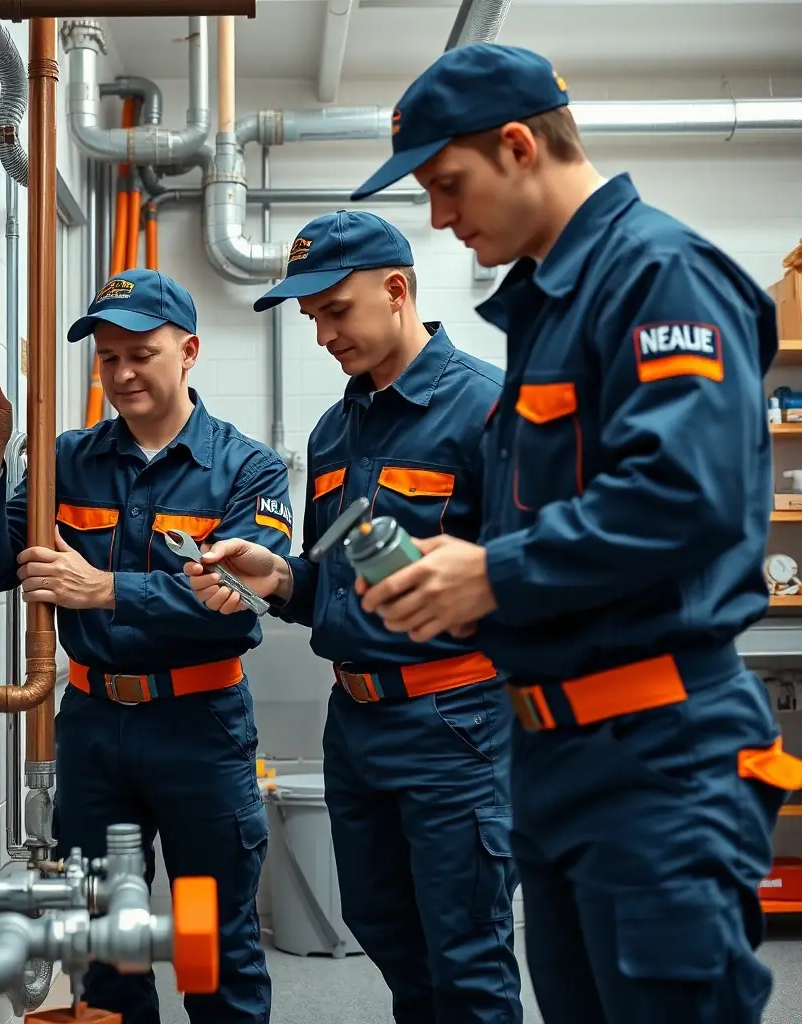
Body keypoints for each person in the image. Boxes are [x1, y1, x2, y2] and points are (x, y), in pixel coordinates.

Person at [348, 42, 802, 1024]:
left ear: (518, 146)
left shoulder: (658, 275)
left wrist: (495, 575)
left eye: (446, 184)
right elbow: (559, 526)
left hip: (656, 759)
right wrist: (449, 578)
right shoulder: (548, 310)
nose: (438, 216)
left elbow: (689, 497)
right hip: (557, 758)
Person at [183, 209, 523, 1024]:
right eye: (311, 318)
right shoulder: (335, 430)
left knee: (466, 954)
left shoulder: (486, 411)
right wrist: (275, 577)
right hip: (358, 726)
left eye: (335, 310)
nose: (322, 334)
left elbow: (534, 582)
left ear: (396, 288)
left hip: (456, 723)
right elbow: (329, 588)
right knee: (386, 931)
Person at [0, 268, 291, 1024]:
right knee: (103, 948)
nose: (123, 373)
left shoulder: (247, 469)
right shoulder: (70, 459)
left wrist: (102, 589)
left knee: (218, 946)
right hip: (94, 730)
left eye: (142, 353)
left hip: (201, 728)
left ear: (190, 350)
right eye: (108, 358)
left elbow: (236, 608)